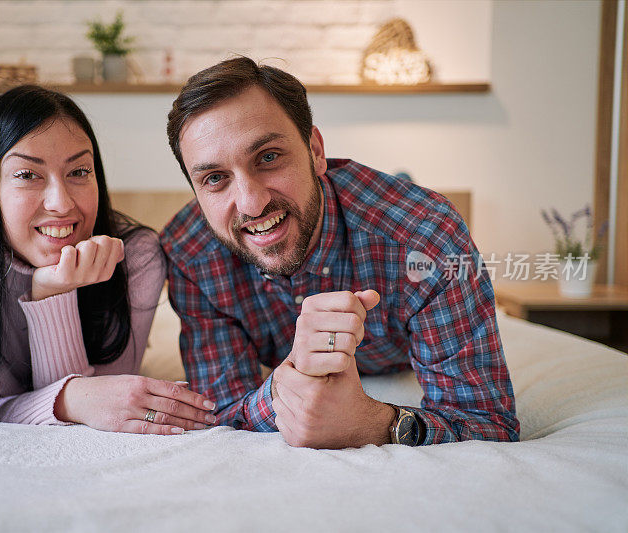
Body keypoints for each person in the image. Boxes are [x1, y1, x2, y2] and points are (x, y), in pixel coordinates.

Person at [161, 57, 519, 448]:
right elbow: (223, 406)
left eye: (268, 157)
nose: (250, 203)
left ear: (316, 151)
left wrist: (373, 423)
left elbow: (487, 421)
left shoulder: (426, 237)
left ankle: (400, 180)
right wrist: (285, 388)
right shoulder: (188, 252)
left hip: (380, 221)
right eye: (215, 178)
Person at [0, 85, 216, 434]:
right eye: (27, 175)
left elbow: (105, 403)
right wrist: (72, 400)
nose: (61, 203)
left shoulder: (135, 256)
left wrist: (52, 292)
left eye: (79, 171)